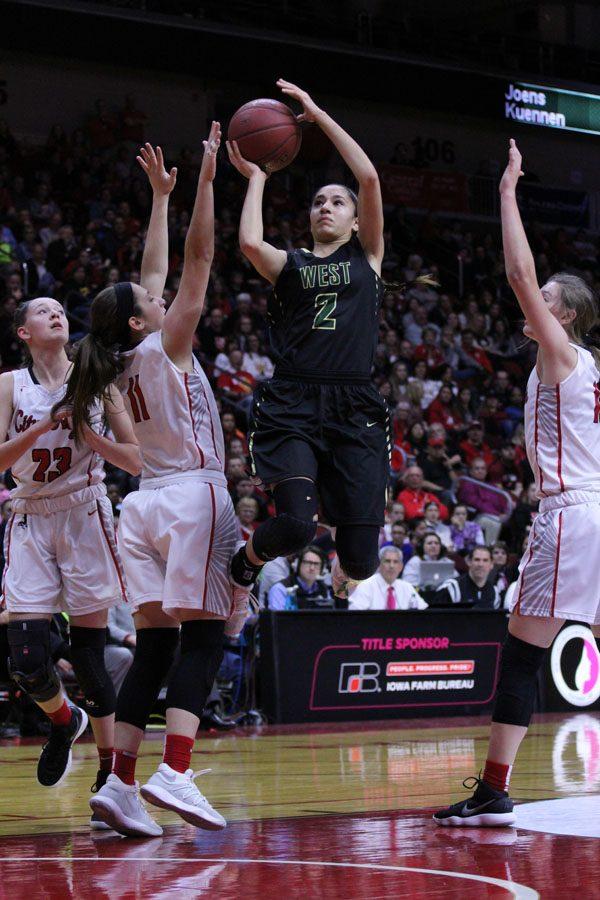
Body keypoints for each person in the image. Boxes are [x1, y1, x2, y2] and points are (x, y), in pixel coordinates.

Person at [62, 128, 246, 838]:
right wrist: (204, 182)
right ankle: (176, 767)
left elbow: (155, 266)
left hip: (141, 508)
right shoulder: (167, 345)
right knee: (208, 638)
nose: (162, 293)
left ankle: (120, 785)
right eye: (151, 297)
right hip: (193, 496)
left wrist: (159, 199)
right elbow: (197, 261)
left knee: (158, 648)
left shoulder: (118, 359)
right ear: (143, 318)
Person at [435, 139, 600, 827]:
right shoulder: (578, 366)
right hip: (593, 507)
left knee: (522, 650)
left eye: (548, 300)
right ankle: (495, 785)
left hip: (572, 516)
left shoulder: (562, 354)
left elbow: (517, 272)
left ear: (560, 315)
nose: (537, 302)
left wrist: (506, 193)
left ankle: (496, 786)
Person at [226, 78, 393, 602]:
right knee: (296, 527)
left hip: (354, 403)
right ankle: (245, 563)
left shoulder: (366, 256)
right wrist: (256, 177)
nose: (326, 207)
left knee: (363, 563)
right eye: (318, 201)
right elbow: (250, 241)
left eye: (337, 202)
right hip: (294, 400)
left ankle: (344, 581)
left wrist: (318, 115)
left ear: (351, 217)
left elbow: (367, 177)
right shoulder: (291, 265)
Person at [0, 296, 140, 808]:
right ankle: (65, 721)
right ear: (24, 333)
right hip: (31, 516)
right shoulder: (9, 386)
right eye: (42, 311)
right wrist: (41, 427)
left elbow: (134, 457)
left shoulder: (97, 382)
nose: (56, 313)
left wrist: (85, 433)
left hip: (84, 514)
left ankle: (110, 781)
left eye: (60, 309)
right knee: (28, 659)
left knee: (89, 658)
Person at [349, 546, 427, 610]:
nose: (391, 566)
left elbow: (423, 611)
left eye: (395, 562)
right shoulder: (366, 585)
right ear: (379, 565)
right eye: (387, 561)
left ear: (401, 567)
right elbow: (355, 614)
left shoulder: (407, 587)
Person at [267, 546, 332, 610]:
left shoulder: (324, 589)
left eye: (316, 564)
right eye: (307, 562)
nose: (312, 568)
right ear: (297, 564)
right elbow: (277, 619)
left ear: (322, 568)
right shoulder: (280, 589)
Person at [434, 546, 501, 608]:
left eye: (485, 560)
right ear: (469, 562)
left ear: (491, 564)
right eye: (477, 560)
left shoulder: (494, 592)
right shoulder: (451, 587)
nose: (481, 564)